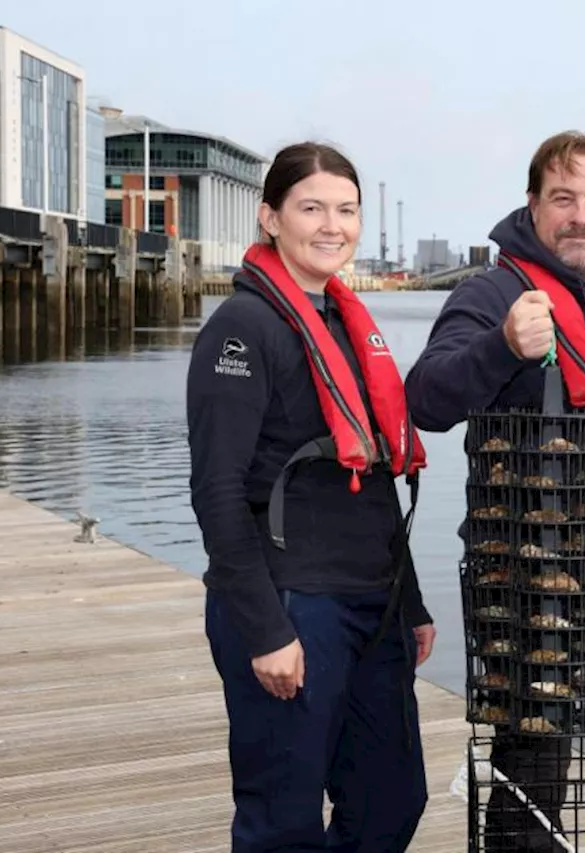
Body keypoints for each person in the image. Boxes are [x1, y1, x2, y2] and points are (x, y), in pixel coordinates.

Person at [405, 130, 585, 851]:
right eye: (562, 198)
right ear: (533, 205)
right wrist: (501, 345)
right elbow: (424, 400)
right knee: (535, 780)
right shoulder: (492, 293)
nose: (580, 215)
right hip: (534, 588)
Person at [186, 142, 434, 852]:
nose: (333, 225)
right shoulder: (241, 329)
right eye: (312, 208)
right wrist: (265, 628)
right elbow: (217, 492)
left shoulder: (345, 323)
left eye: (347, 210)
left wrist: (408, 602)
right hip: (292, 602)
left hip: (371, 605)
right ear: (270, 217)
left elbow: (373, 477)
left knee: (392, 798)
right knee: (282, 819)